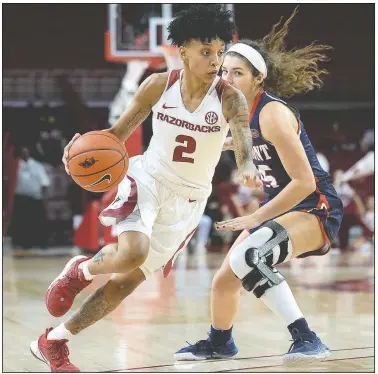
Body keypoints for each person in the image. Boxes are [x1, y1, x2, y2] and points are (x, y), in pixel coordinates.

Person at [30, 5, 260, 372]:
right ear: (182, 50)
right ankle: (81, 271)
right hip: (149, 180)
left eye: (219, 52)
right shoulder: (158, 85)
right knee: (132, 251)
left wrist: (247, 165)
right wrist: (78, 151)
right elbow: (115, 137)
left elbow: (243, 138)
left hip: (190, 201)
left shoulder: (230, 97)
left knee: (124, 285)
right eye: (206, 52)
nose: (215, 60)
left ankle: (53, 342)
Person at [175, 7, 344, 366]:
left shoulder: (272, 114)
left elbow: (305, 182)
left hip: (316, 207)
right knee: (224, 279)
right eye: (225, 72)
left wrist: (254, 216)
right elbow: (227, 143)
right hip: (282, 208)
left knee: (251, 257)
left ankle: (308, 339)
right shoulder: (232, 111)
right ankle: (220, 343)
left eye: (238, 73)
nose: (229, 79)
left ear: (257, 78)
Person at [11, 146, 50, 250]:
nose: (24, 154)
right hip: (21, 198)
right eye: (22, 152)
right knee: (22, 223)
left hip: (35, 199)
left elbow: (45, 183)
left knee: (37, 223)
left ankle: (40, 243)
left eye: (26, 151)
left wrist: (43, 198)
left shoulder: (37, 166)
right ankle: (23, 244)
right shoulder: (16, 166)